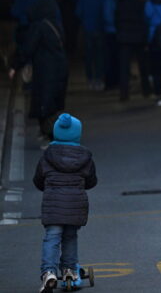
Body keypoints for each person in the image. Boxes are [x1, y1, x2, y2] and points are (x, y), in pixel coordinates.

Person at [33, 113, 97, 293]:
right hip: (76, 205)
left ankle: (49, 273)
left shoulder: (47, 156)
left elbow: (38, 179)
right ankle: (69, 271)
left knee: (52, 238)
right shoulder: (85, 156)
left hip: (53, 204)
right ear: (77, 134)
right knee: (70, 237)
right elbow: (91, 181)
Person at [10, 0, 68, 142]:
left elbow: (27, 48)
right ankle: (48, 133)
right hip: (60, 67)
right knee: (52, 104)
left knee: (44, 103)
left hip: (45, 69)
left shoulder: (39, 27)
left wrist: (15, 65)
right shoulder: (56, 25)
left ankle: (50, 136)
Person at [115, 0, 151, 101]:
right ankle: (146, 90)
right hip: (139, 38)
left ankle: (124, 93)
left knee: (124, 67)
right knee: (143, 66)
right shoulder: (141, 4)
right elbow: (145, 21)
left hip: (124, 38)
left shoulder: (121, 4)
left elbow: (116, 19)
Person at [75, 0, 105, 90]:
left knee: (89, 56)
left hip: (87, 30)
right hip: (99, 29)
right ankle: (99, 79)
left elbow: (78, 13)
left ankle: (90, 79)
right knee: (99, 56)